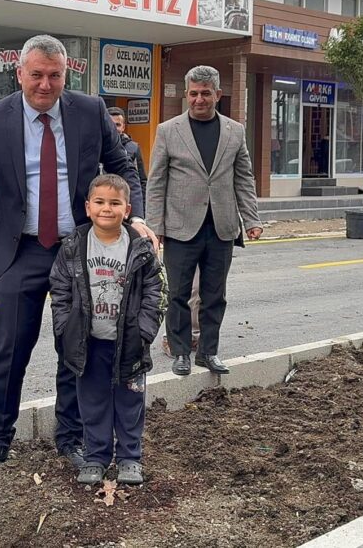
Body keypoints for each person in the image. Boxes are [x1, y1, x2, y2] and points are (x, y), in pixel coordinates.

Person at [0, 34, 152, 476]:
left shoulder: (89, 110)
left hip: (77, 250)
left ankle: (72, 436)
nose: (45, 85)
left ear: (67, 74)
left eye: (55, 75)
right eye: (37, 75)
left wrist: (136, 217)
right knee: (8, 349)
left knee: (76, 347)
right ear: (20, 73)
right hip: (19, 250)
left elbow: (122, 166)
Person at [49, 174, 165, 485]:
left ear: (127, 209)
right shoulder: (74, 246)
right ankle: (96, 456)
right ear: (88, 207)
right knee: (93, 401)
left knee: (130, 402)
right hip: (89, 343)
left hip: (129, 342)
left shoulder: (139, 248)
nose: (106, 209)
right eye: (99, 202)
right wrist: (65, 326)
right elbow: (60, 288)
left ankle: (130, 457)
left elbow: (155, 290)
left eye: (115, 203)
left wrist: (144, 330)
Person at [147, 65, 261, 377]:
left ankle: (208, 352)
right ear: (186, 95)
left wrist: (252, 219)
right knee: (178, 295)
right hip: (181, 228)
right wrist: (155, 228)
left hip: (221, 228)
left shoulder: (234, 131)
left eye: (206, 94)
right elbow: (156, 182)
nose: (200, 99)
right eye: (194, 93)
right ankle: (181, 352)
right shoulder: (168, 131)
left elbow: (244, 179)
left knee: (215, 296)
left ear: (218, 95)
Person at [106, 107, 147, 198]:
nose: (113, 128)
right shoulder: (97, 147)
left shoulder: (133, 148)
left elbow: (142, 181)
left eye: (117, 125)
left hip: (126, 200)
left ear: (123, 127)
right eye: (110, 124)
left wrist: (142, 209)